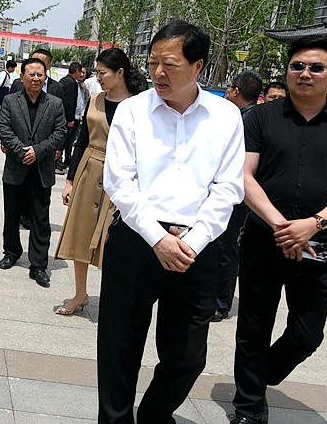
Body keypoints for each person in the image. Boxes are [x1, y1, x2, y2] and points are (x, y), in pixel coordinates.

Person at [99, 21, 245, 422]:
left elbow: (228, 188)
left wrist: (191, 242)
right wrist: (158, 238)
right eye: (152, 63)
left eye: (169, 64)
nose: (158, 73)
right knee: (118, 348)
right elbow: (119, 182)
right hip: (136, 239)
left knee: (187, 357)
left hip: (197, 247)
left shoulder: (226, 116)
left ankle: (152, 417)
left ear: (198, 66)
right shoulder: (132, 111)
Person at [231, 37, 327, 424]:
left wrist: (313, 224)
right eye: (298, 66)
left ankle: (260, 375)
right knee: (253, 327)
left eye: (316, 68)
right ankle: (248, 408)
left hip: (319, 243)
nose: (305, 73)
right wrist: (282, 226)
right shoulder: (261, 117)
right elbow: (244, 176)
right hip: (264, 239)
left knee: (307, 334)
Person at [54, 48, 147, 315]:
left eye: (102, 72)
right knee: (80, 234)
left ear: (120, 73)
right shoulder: (95, 99)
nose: (98, 77)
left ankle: (114, 298)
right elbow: (82, 140)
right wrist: (70, 180)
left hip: (124, 175)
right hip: (90, 170)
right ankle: (80, 294)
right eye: (97, 72)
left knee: (115, 240)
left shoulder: (140, 104)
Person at [0, 57, 67, 287]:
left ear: (45, 77)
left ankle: (38, 265)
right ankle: (11, 252)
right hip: (15, 167)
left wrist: (37, 151)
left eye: (40, 74)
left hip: (41, 169)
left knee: (40, 218)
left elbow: (60, 133)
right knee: (12, 214)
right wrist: (21, 151)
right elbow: (4, 129)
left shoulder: (55, 104)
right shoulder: (10, 100)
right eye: (31, 74)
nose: (36, 78)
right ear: (22, 77)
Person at [211, 69, 263, 323]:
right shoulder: (249, 116)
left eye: (230, 88)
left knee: (226, 247)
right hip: (236, 193)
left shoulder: (247, 120)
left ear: (237, 91)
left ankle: (221, 302)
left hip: (237, 196)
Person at [55, 62, 82, 174]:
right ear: (76, 71)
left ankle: (58, 162)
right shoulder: (72, 83)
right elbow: (70, 102)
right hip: (67, 117)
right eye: (80, 72)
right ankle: (57, 163)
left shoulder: (63, 80)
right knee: (63, 141)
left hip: (60, 115)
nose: (81, 74)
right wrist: (70, 119)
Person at [0, 60, 16, 135]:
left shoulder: (7, 75)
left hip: (2, 96)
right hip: (1, 97)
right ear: (9, 67)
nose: (14, 70)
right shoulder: (4, 75)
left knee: (0, 113)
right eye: (13, 68)